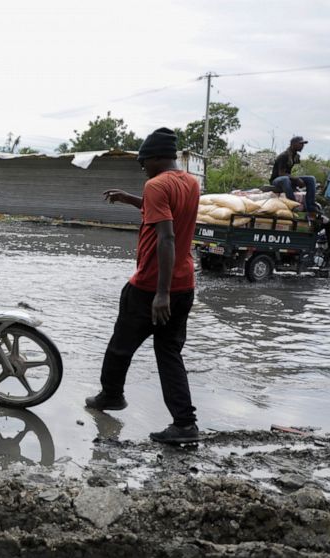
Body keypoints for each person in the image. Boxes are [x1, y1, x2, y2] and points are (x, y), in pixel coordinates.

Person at [84, 127, 202, 444]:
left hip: (151, 287)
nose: (143, 170)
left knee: (120, 347)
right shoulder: (190, 183)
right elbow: (169, 215)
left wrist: (160, 294)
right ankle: (185, 424)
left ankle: (111, 395)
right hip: (184, 285)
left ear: (152, 159)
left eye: (142, 164)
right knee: (169, 354)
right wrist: (130, 199)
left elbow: (166, 237)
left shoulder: (156, 184)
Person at [270, 136, 317, 219]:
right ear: (293, 144)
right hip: (277, 180)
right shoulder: (284, 156)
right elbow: (281, 174)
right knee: (285, 179)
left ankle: (311, 208)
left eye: (303, 144)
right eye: (300, 144)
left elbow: (288, 174)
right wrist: (296, 179)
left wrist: (297, 180)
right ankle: (293, 205)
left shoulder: (295, 156)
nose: (302, 146)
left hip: (287, 179)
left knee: (311, 179)